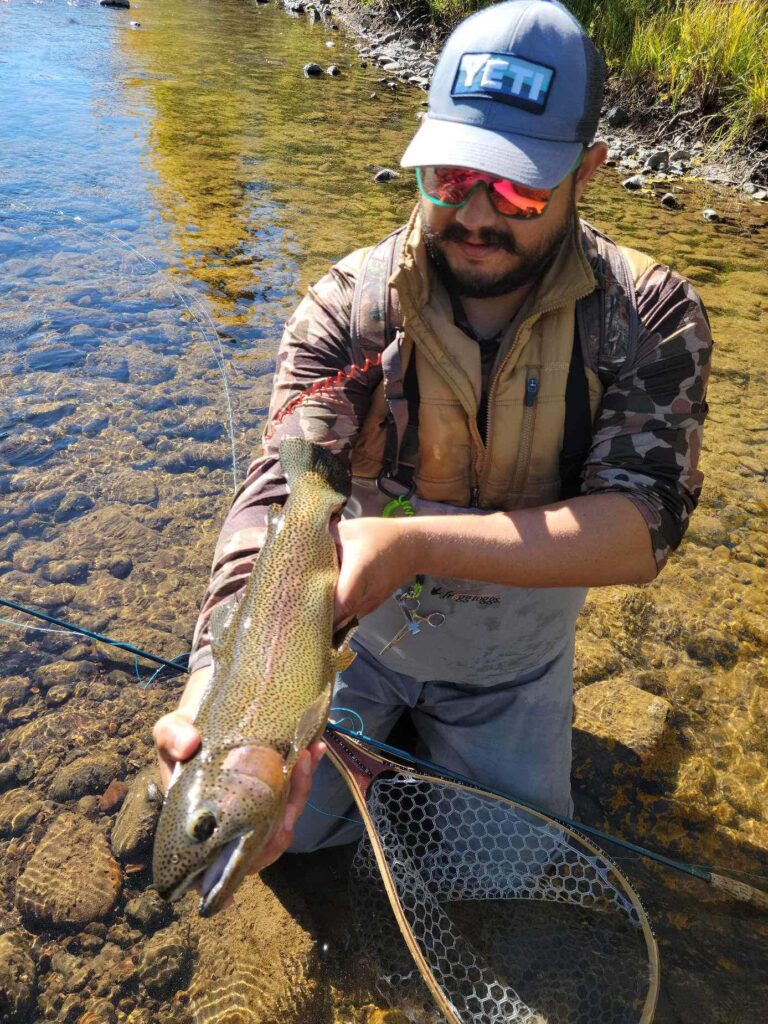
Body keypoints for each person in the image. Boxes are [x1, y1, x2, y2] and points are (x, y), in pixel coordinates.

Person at [154, 0, 711, 873]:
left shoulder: (648, 316)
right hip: (354, 652)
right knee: (285, 846)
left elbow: (645, 527)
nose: (478, 213)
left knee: (503, 874)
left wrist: (413, 543)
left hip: (511, 663)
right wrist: (215, 699)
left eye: (519, 186)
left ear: (590, 170)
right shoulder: (348, 310)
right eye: (450, 177)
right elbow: (277, 499)